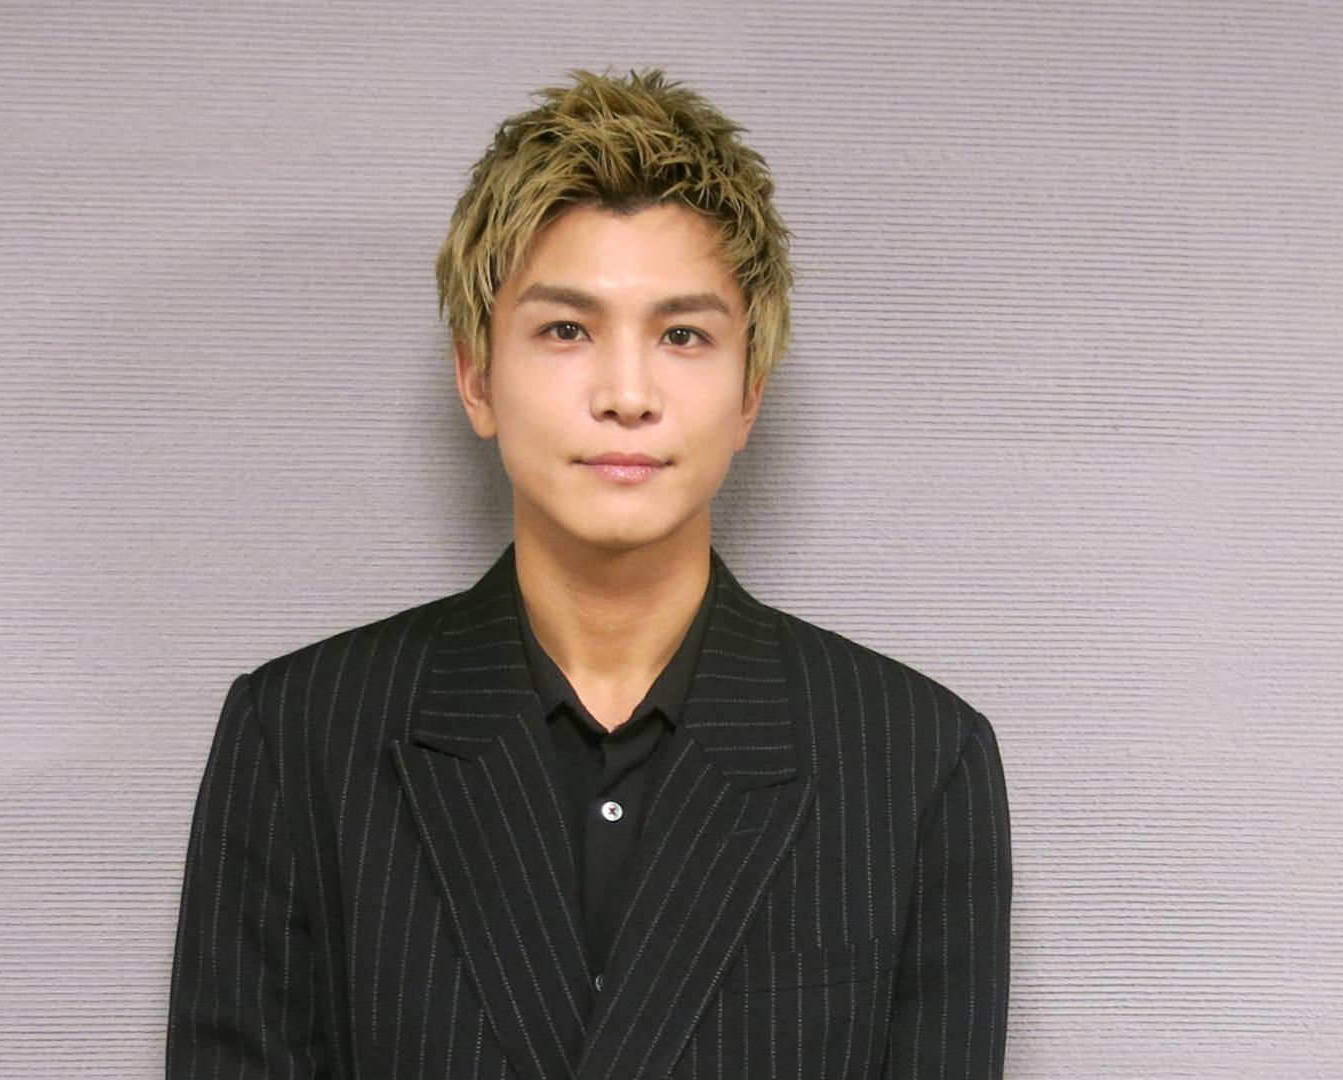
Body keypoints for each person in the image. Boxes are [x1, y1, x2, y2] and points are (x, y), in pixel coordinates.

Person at [166, 65, 1011, 1079]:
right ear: (477, 376)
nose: (626, 393)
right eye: (566, 330)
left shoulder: (915, 761)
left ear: (749, 392)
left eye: (683, 335)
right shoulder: (300, 738)